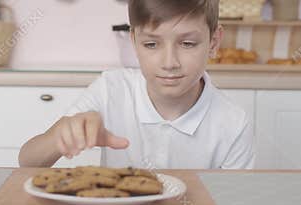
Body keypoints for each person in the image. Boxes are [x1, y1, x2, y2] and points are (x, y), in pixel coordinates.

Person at [19, 0, 255, 169]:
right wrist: (61, 137)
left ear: (214, 42)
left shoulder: (233, 122)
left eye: (188, 43)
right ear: (133, 40)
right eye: (151, 44)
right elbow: (27, 161)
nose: (169, 63)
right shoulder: (110, 89)